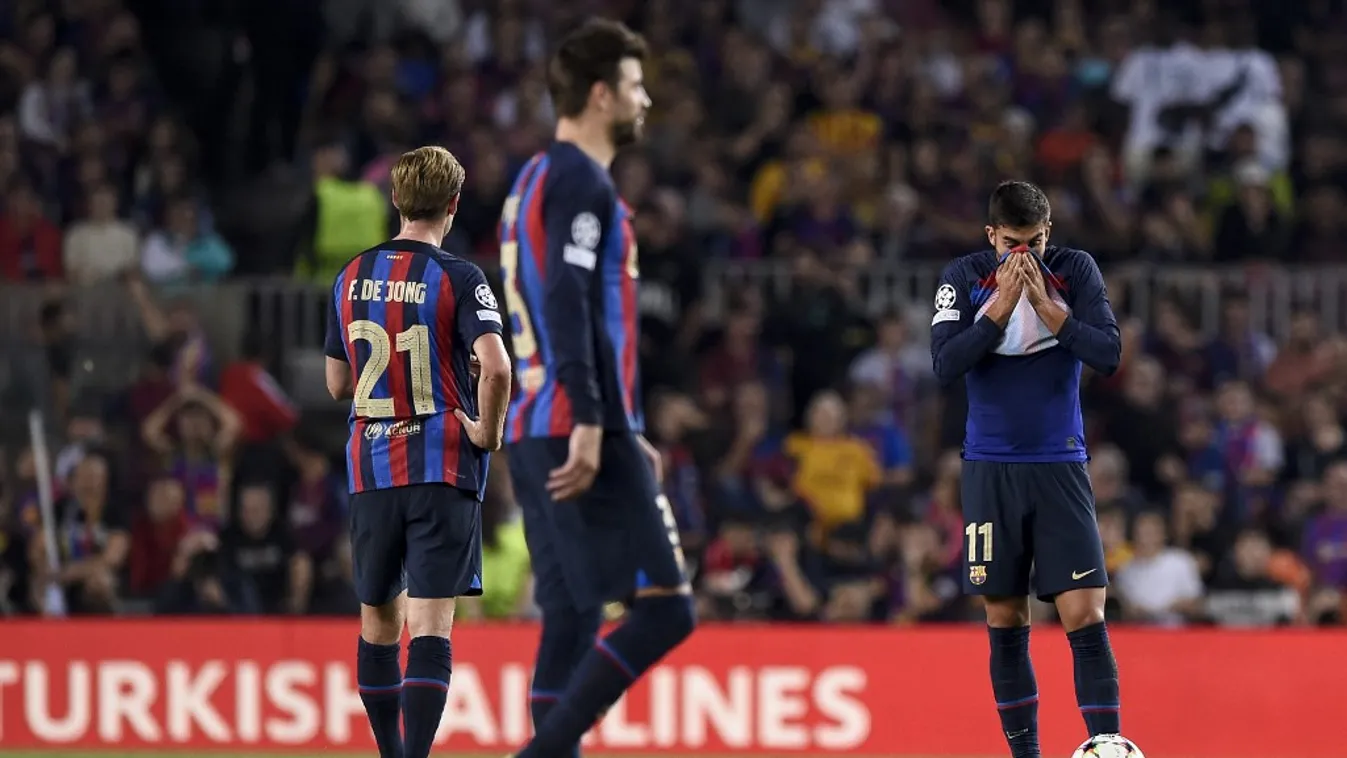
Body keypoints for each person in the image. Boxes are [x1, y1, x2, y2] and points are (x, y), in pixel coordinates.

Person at [497, 18, 695, 758]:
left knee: (573, 615)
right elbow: (567, 300)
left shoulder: (533, 178)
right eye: (637, 87)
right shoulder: (583, 179)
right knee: (666, 609)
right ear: (603, 94)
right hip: (574, 422)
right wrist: (593, 417)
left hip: (534, 420)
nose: (646, 102)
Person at [323, 145, 512, 758]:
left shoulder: (349, 275)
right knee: (430, 625)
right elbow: (497, 367)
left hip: (372, 466)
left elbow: (335, 384)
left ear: (396, 201)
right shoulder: (461, 278)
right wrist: (488, 431)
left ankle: (389, 753)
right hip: (442, 466)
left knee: (378, 622)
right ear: (454, 205)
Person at [929, 181, 1123, 758]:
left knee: (1085, 612)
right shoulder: (960, 278)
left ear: (1049, 234)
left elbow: (1108, 353)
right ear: (992, 236)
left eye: (1035, 243)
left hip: (1060, 460)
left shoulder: (1075, 270)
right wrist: (997, 311)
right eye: (1013, 244)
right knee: (1005, 617)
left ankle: (1104, 747)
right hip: (990, 466)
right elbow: (945, 363)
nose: (1025, 257)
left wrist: (1045, 307)